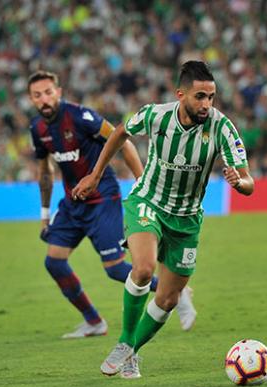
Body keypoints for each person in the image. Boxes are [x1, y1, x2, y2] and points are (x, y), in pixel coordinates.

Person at [72, 61, 254, 379]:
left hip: (187, 219)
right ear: (181, 94)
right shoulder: (156, 115)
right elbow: (120, 132)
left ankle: (133, 353)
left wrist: (239, 183)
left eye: (211, 97)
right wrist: (95, 174)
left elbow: (249, 181)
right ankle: (125, 342)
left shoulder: (223, 128)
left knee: (167, 298)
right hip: (148, 202)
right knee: (142, 268)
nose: (206, 104)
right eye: (200, 97)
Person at [27, 71, 197, 339]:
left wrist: (143, 183)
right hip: (73, 203)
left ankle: (175, 290)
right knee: (54, 262)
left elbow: (123, 141)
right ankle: (94, 322)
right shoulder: (38, 129)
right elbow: (45, 172)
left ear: (58, 92)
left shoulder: (82, 117)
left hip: (103, 199)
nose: (44, 99)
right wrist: (45, 215)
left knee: (116, 269)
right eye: (38, 95)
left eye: (48, 92)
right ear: (31, 99)